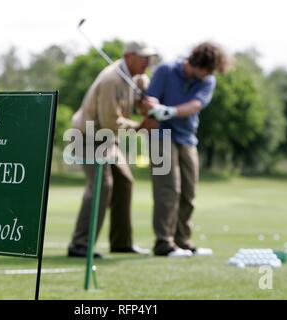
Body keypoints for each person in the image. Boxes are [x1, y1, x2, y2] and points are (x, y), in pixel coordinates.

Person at [67, 41, 157, 258]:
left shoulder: (137, 77)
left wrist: (144, 104)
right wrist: (140, 126)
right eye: (143, 57)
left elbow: (136, 102)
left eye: (149, 57)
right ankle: (79, 244)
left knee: (124, 181)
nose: (147, 61)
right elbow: (110, 121)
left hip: (107, 139)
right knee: (101, 184)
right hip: (88, 136)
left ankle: (121, 242)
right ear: (129, 56)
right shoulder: (111, 79)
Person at [141, 41, 230, 257]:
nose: (208, 75)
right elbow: (146, 104)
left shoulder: (207, 80)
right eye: (206, 70)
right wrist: (151, 105)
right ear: (195, 62)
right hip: (160, 136)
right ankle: (164, 243)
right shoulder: (165, 71)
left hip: (187, 138)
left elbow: (195, 106)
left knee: (188, 193)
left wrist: (169, 110)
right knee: (168, 190)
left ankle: (182, 241)